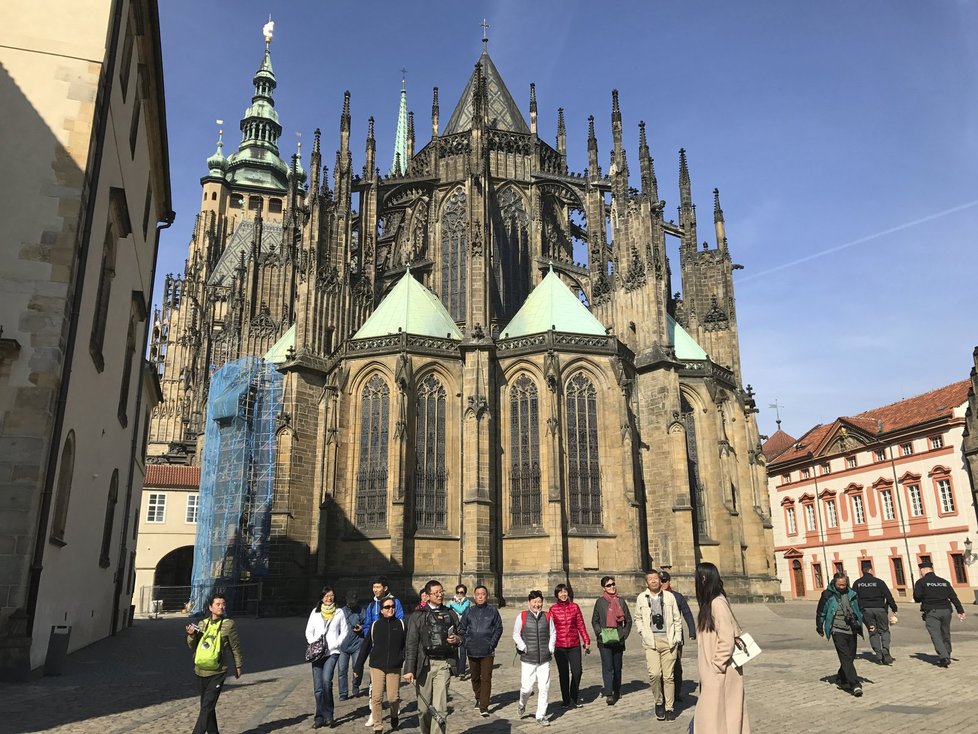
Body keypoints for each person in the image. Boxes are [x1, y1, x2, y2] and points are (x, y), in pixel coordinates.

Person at [693, 562, 750, 733]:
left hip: (720, 671)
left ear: (704, 578)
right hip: (716, 672)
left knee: (718, 716)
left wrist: (717, 665)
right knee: (720, 715)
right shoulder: (711, 602)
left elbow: (727, 638)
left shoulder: (717, 603)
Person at [404, 579, 463, 734]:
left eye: (441, 592)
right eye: (435, 592)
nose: (439, 595)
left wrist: (457, 639)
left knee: (440, 709)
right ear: (427, 595)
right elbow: (411, 644)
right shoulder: (417, 616)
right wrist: (409, 669)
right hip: (425, 665)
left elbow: (462, 634)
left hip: (444, 664)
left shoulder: (450, 613)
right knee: (423, 710)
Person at [185, 592, 243, 734]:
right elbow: (194, 646)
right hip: (201, 670)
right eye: (218, 604)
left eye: (223, 604)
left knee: (207, 707)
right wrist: (191, 635)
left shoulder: (229, 624)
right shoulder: (202, 624)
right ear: (210, 607)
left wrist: (238, 665)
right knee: (207, 706)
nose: (221, 607)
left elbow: (235, 646)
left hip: (218, 671)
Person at [353, 595, 406, 733]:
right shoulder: (375, 626)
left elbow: (406, 645)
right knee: (376, 698)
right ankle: (378, 725)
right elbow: (365, 647)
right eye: (387, 607)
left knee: (393, 698)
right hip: (377, 665)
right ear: (381, 610)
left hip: (394, 666)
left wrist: (403, 657)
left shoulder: (401, 624)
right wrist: (358, 667)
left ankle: (394, 715)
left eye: (393, 606)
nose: (391, 609)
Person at [635, 570, 683, 721]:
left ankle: (669, 707)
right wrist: (642, 631)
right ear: (646, 582)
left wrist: (677, 638)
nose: (654, 581)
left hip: (668, 641)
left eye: (656, 578)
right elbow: (638, 618)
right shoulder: (641, 598)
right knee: (655, 674)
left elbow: (677, 618)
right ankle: (658, 701)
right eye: (651, 579)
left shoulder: (669, 597)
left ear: (660, 580)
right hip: (651, 642)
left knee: (669, 677)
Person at [305, 586, 351, 728]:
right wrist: (314, 643)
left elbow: (344, 630)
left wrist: (336, 643)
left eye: (331, 595)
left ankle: (329, 714)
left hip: (332, 652)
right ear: (321, 598)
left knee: (326, 681)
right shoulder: (315, 612)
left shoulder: (339, 612)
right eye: (326, 596)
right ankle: (319, 716)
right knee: (318, 688)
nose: (329, 598)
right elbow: (308, 630)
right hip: (318, 653)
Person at [816, 572, 864, 697]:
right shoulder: (827, 594)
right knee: (845, 656)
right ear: (834, 583)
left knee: (851, 656)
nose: (842, 587)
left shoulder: (851, 593)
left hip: (851, 629)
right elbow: (821, 611)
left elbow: (860, 609)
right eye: (839, 585)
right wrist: (819, 626)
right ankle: (855, 684)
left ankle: (841, 678)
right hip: (837, 629)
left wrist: (868, 623)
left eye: (844, 584)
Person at [458, 584, 503, 717]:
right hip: (472, 649)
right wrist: (466, 641)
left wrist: (492, 643)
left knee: (486, 678)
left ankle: (484, 705)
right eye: (478, 594)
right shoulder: (469, 611)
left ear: (486, 596)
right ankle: (478, 697)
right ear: (474, 596)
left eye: (483, 594)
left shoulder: (493, 611)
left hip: (487, 650)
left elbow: (499, 628)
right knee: (475, 677)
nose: (480, 596)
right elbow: (462, 628)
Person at [514, 590, 557, 726]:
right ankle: (522, 703)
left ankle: (541, 715)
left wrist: (551, 647)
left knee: (544, 687)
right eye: (534, 602)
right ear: (529, 603)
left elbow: (553, 633)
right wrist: (523, 647)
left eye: (539, 602)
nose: (537, 604)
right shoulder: (522, 616)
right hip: (528, 658)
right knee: (527, 688)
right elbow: (516, 634)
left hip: (544, 658)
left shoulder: (548, 616)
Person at [913, 559, 966, 667]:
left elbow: (917, 598)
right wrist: (960, 611)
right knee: (945, 634)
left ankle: (944, 657)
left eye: (921, 570)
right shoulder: (944, 582)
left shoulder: (921, 582)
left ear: (923, 570)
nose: (921, 572)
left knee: (936, 635)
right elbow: (953, 597)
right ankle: (947, 653)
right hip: (946, 611)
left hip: (932, 612)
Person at [590, 575, 632, 706]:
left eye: (613, 584)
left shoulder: (621, 601)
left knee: (617, 666)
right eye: (608, 585)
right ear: (604, 587)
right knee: (608, 666)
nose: (612, 587)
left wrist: (624, 634)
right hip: (604, 639)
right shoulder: (600, 602)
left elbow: (629, 620)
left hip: (618, 638)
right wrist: (599, 633)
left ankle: (617, 689)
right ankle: (609, 693)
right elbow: (594, 620)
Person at [549, 583, 590, 709]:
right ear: (556, 595)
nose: (563, 594)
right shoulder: (553, 609)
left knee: (577, 671)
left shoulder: (575, 607)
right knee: (564, 673)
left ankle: (574, 694)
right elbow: (550, 629)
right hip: (559, 646)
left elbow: (580, 624)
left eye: (565, 591)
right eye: (560, 592)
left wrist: (586, 640)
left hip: (574, 645)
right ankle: (566, 700)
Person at [659, 570, 696, 702]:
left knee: (676, 665)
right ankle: (664, 692)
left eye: (664, 581)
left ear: (669, 581)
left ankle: (676, 692)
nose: (662, 583)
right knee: (661, 667)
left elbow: (687, 613)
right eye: (660, 581)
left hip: (676, 637)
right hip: (660, 637)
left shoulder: (677, 596)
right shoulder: (654, 597)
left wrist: (692, 631)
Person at [851, 564, 898, 665]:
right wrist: (894, 608)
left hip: (866, 611)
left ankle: (879, 655)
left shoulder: (857, 583)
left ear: (862, 571)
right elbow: (888, 595)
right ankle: (885, 650)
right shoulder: (879, 582)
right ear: (871, 570)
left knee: (873, 632)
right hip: (880, 609)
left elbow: (853, 598)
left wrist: (856, 611)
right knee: (884, 630)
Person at [338, 590, 365, 700]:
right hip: (342, 647)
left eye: (353, 602)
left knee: (357, 668)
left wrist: (361, 628)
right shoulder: (340, 612)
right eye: (349, 602)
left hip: (357, 644)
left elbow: (366, 624)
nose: (351, 604)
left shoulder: (361, 611)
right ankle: (343, 693)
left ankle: (355, 685)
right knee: (342, 670)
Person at [447, 583, 472, 679]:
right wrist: (451, 604)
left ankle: (462, 671)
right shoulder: (452, 601)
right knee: (453, 650)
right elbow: (446, 608)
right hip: (453, 627)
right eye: (457, 592)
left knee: (463, 650)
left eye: (461, 592)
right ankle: (454, 669)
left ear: (465, 593)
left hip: (464, 627)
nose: (459, 594)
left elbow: (461, 610)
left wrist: (453, 604)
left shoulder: (467, 602)